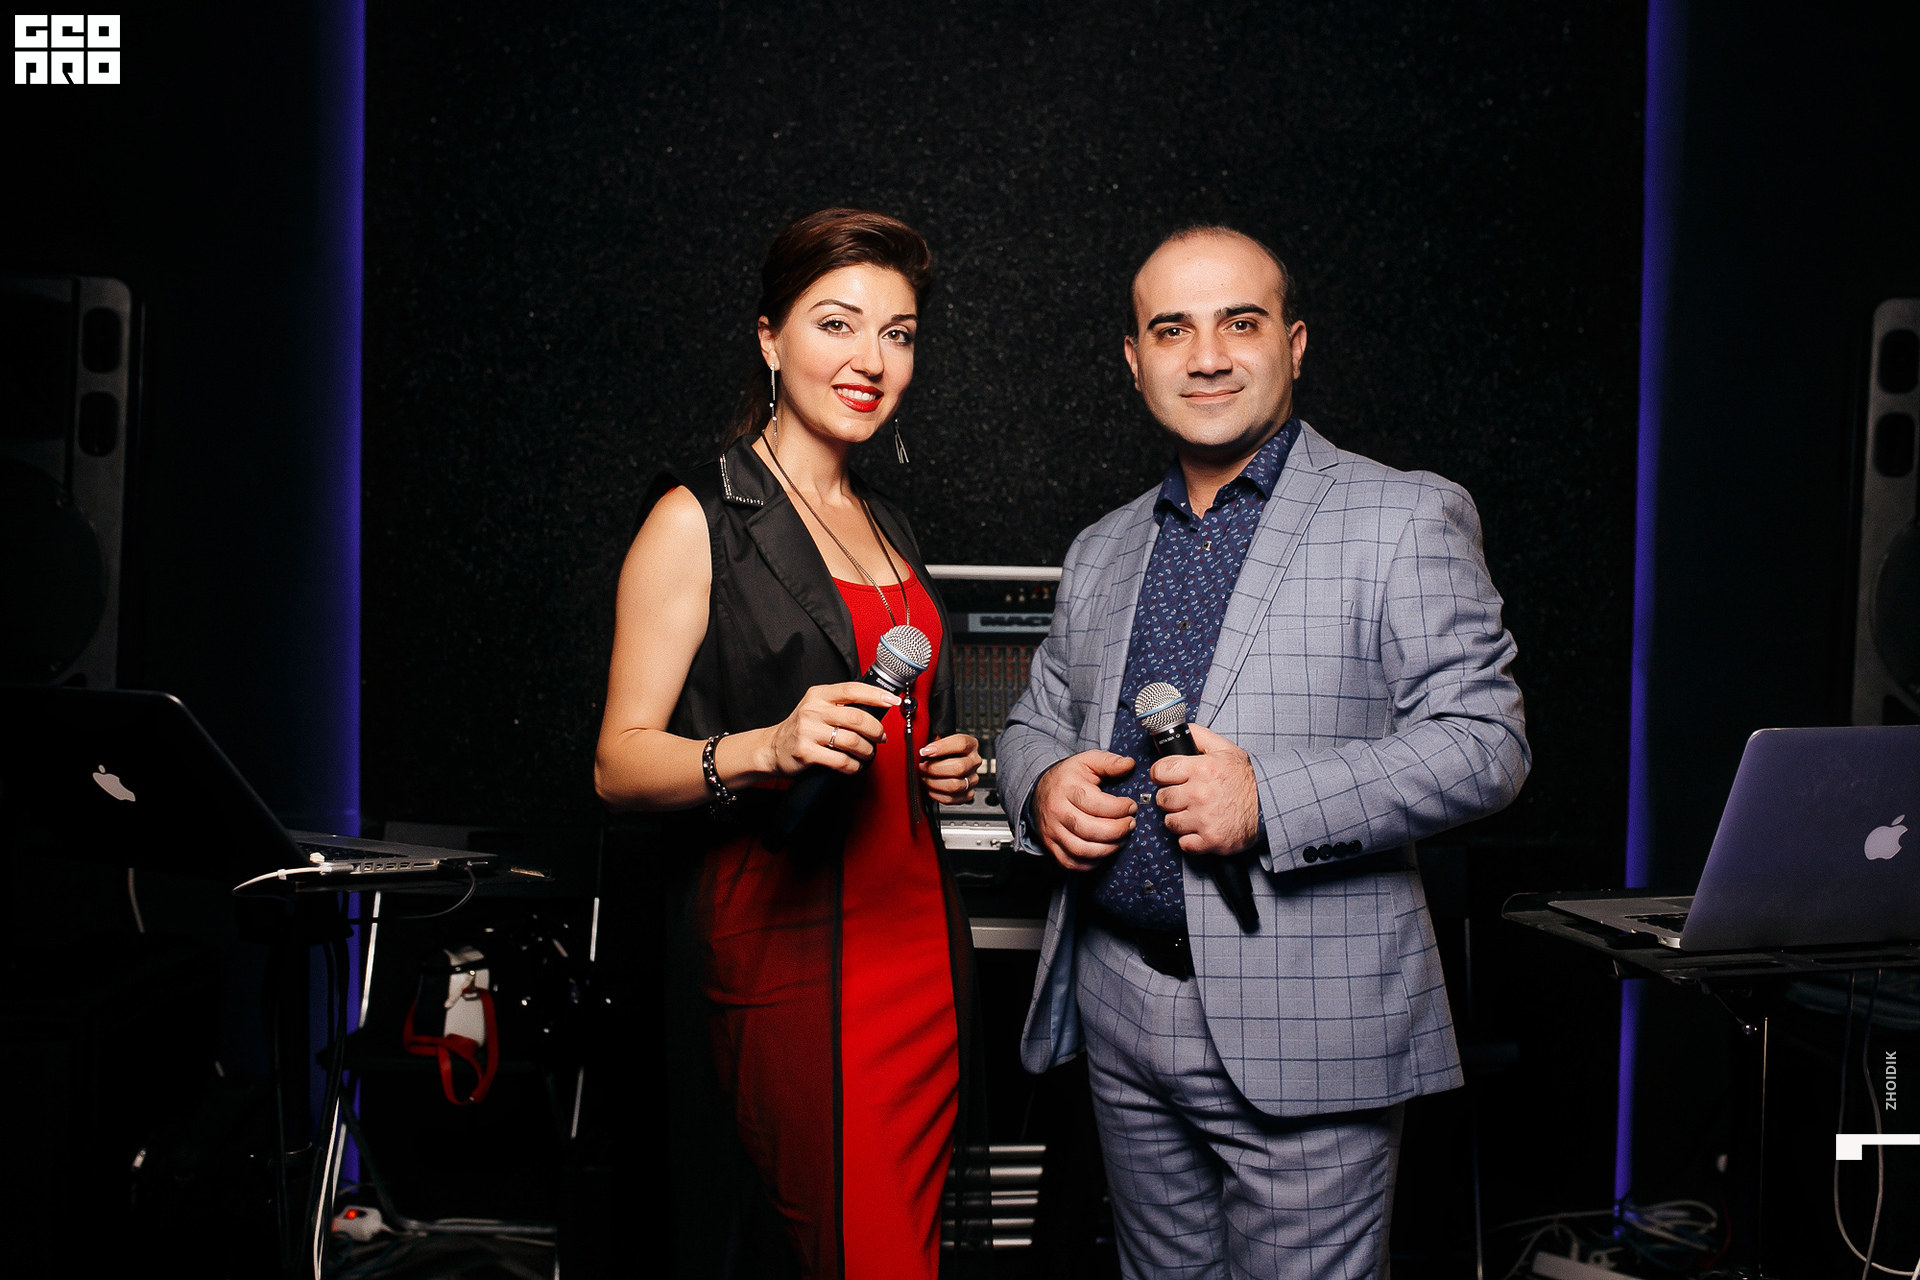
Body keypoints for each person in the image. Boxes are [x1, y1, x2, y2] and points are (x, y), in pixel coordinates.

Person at [997, 225, 1530, 1279]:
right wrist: (1042, 784)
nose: (1206, 356)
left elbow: (1487, 743)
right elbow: (1031, 723)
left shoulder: (1403, 515)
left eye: (1239, 323)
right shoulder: (1102, 547)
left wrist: (1268, 798)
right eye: (1172, 330)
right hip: (1119, 1006)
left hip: (1309, 1024)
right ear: (1135, 360)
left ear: (1293, 343)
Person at [594, 208, 988, 1280]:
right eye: (837, 323)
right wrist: (764, 747)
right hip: (794, 952)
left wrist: (938, 760)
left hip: (919, 943)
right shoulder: (697, 518)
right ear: (770, 338)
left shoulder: (890, 524)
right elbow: (619, 763)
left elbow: (892, 717)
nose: (872, 360)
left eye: (899, 334)